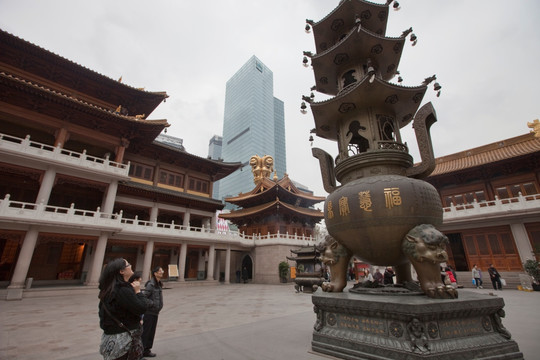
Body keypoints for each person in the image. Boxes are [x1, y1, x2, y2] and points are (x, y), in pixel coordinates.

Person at [98, 258, 151, 360]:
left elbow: (102, 314)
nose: (131, 266)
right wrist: (138, 292)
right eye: (128, 264)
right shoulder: (122, 290)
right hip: (123, 342)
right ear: (121, 271)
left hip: (111, 339)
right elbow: (142, 307)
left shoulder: (109, 289)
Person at [142, 266, 165, 358]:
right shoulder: (150, 284)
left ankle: (147, 349)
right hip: (149, 312)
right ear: (155, 273)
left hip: (155, 312)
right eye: (160, 271)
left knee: (151, 332)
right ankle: (141, 350)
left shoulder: (158, 284)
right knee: (146, 332)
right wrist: (152, 304)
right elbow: (144, 297)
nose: (162, 272)